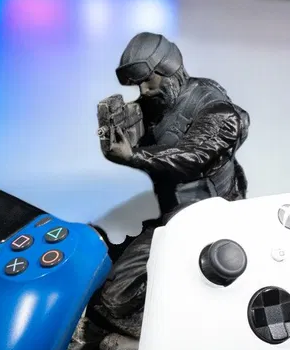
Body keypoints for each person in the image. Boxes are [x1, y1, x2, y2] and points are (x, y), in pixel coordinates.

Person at [95, 32, 250, 322]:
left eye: (148, 80)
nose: (143, 90)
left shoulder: (216, 109)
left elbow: (194, 156)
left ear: (168, 70)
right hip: (175, 216)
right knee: (110, 292)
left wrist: (134, 156)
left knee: (116, 299)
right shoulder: (155, 106)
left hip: (212, 217)